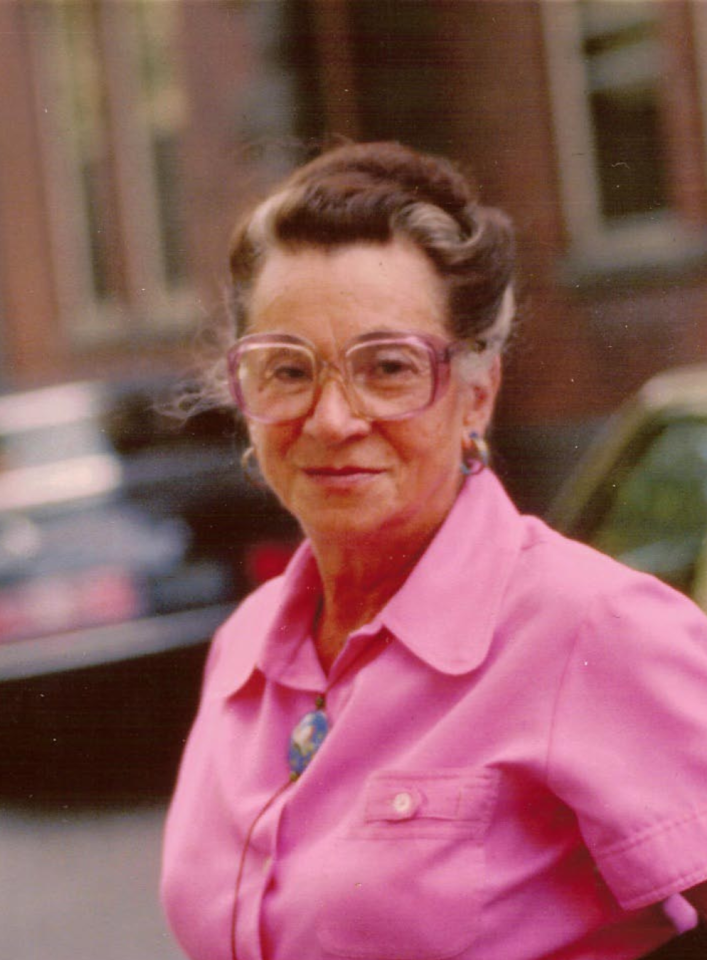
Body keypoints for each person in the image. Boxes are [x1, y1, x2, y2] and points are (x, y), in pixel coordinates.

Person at [161, 141, 707, 960]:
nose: (333, 418)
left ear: (476, 391)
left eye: (388, 367)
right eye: (287, 370)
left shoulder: (590, 626)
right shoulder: (243, 648)